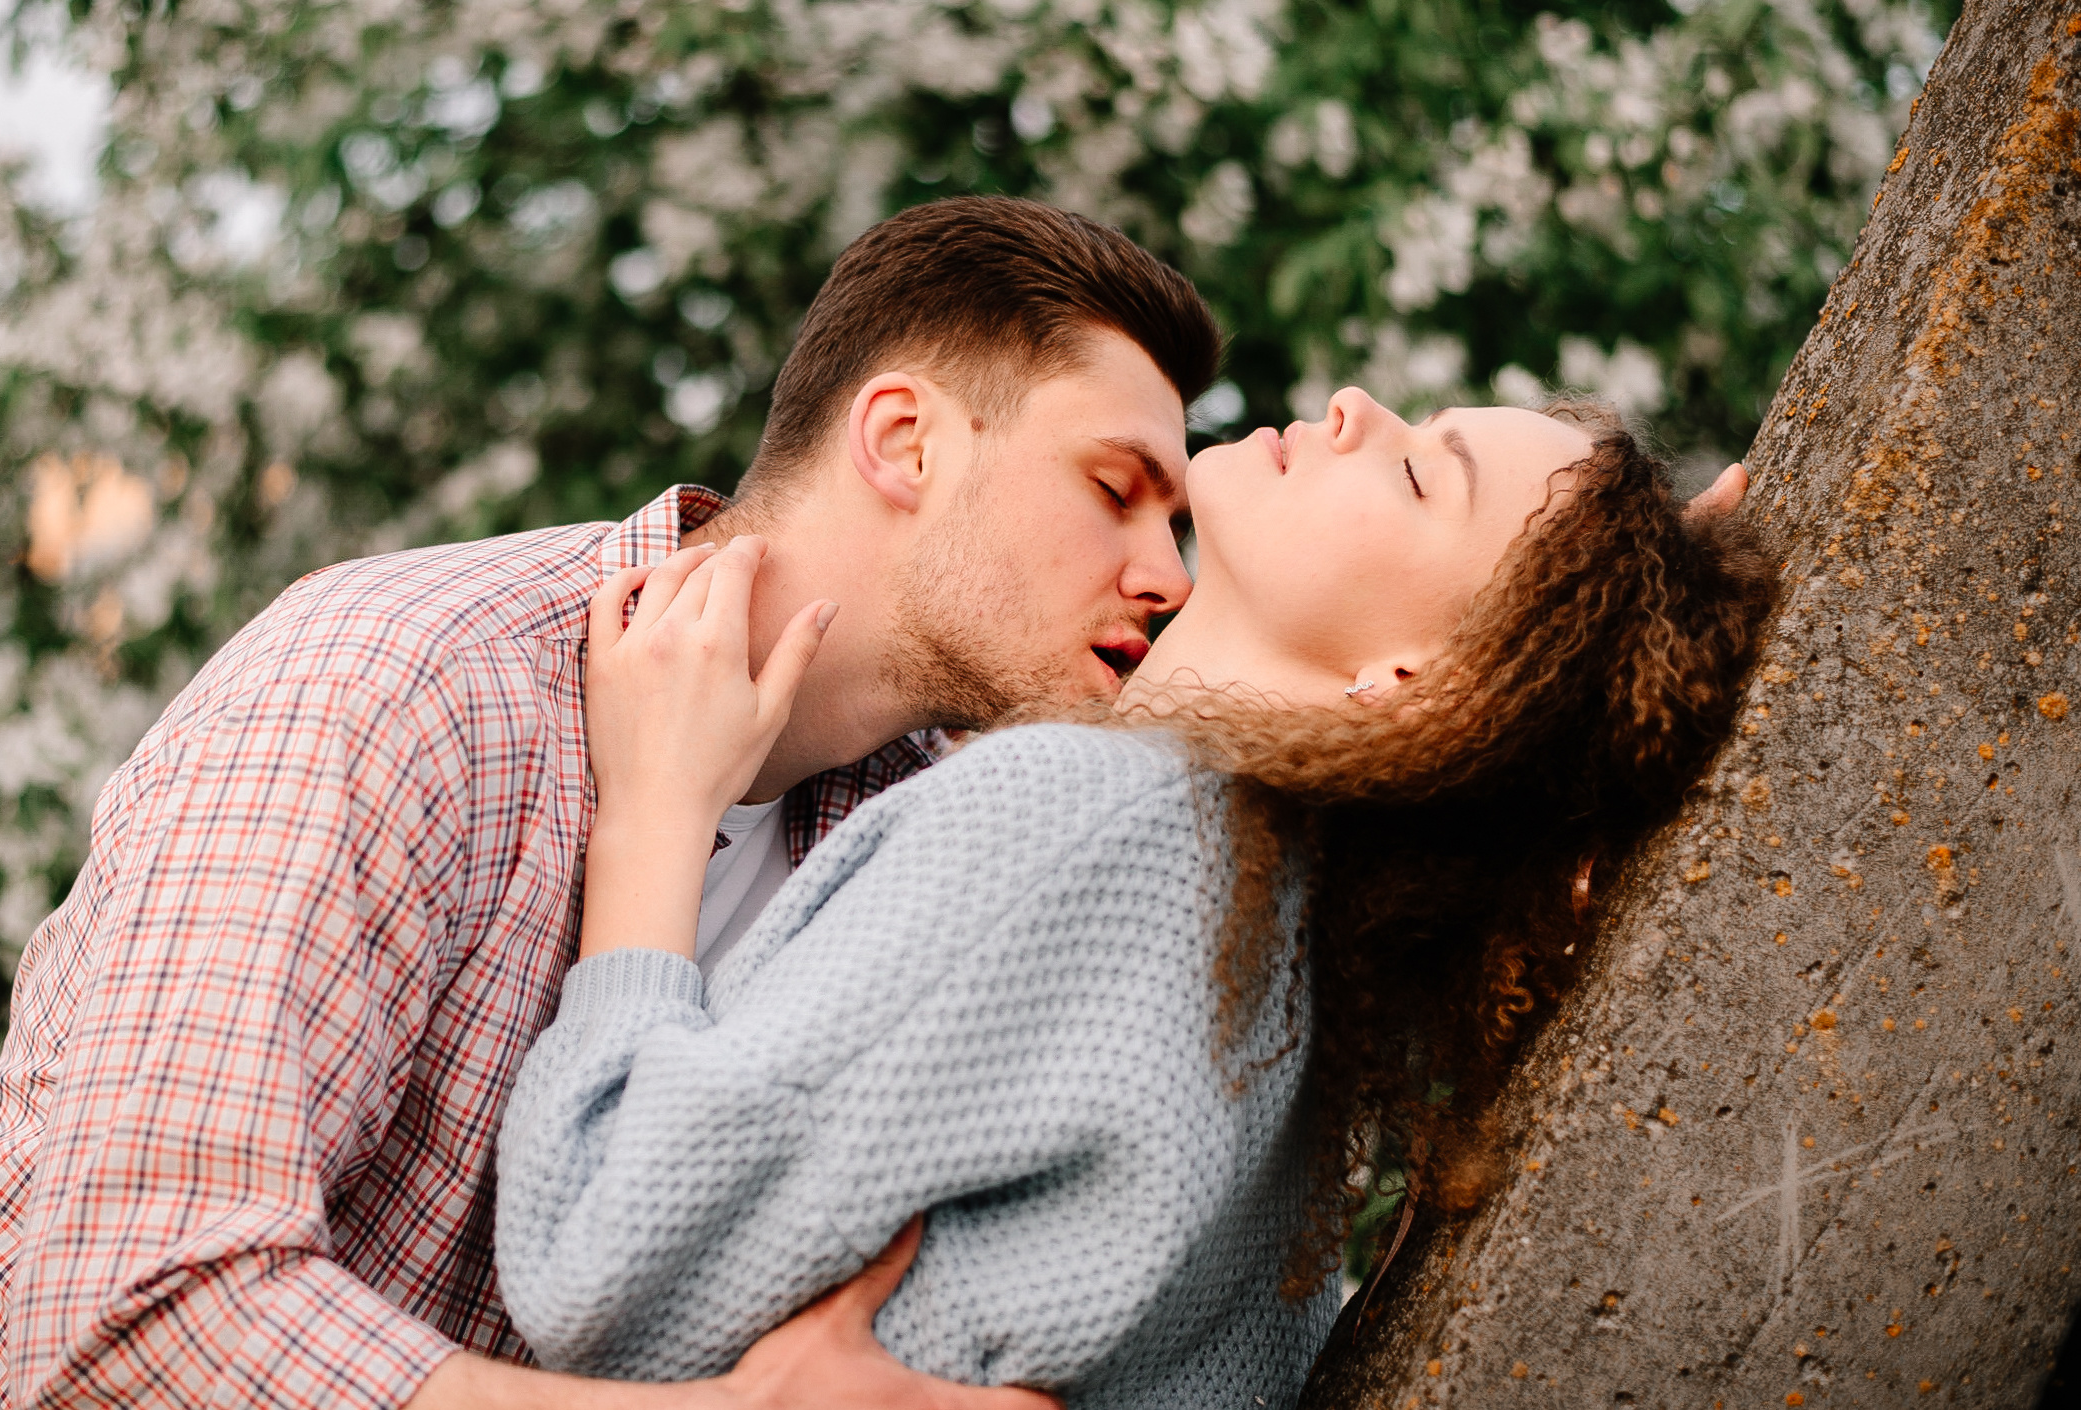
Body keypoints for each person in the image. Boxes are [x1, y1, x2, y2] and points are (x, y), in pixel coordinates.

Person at [0, 196, 1220, 1410]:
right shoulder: (409, 683)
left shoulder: (923, 826)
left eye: (1180, 522)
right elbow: (131, 1320)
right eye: (1117, 487)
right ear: (904, 441)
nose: (1167, 572)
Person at [493, 388, 1774, 1408]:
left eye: (1420, 471)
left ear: (1420, 686)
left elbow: (605, 1264)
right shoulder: (1283, 981)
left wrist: (655, 813)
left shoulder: (1105, 820)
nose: (1351, 409)